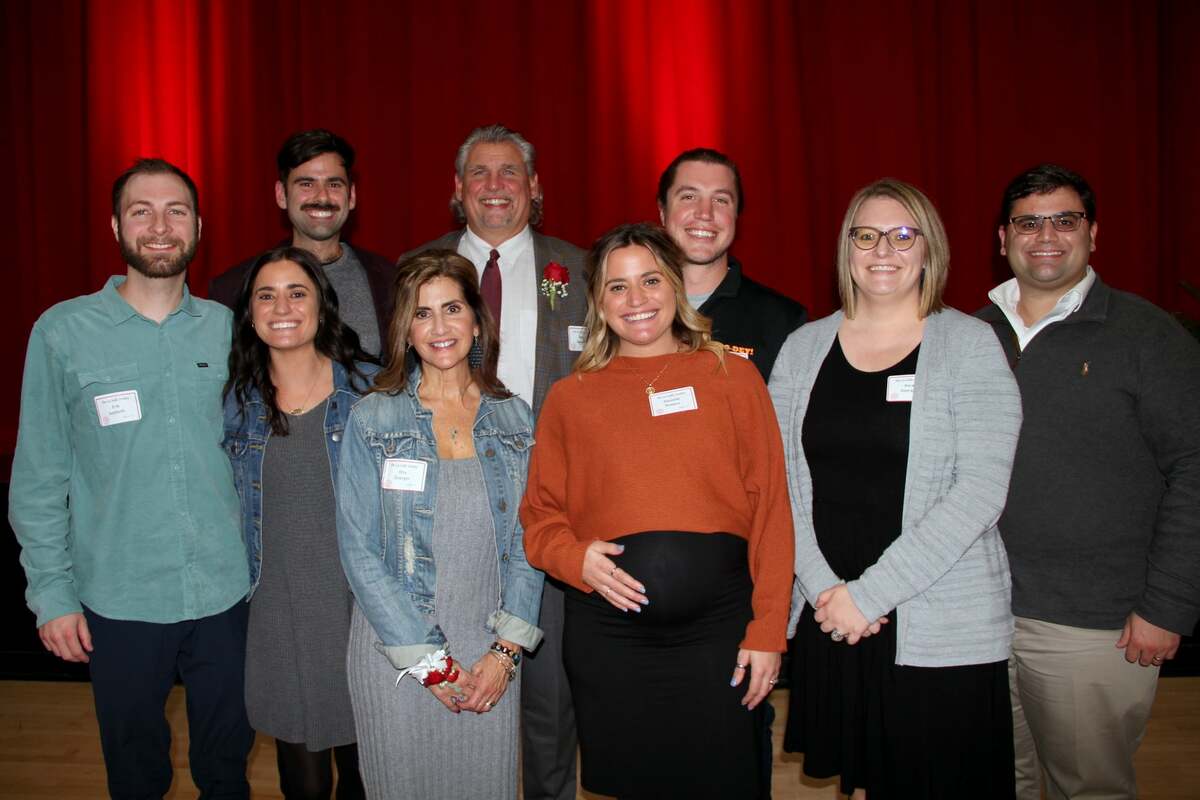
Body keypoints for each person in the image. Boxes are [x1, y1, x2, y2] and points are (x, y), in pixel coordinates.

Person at [520, 222, 794, 799]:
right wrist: (576, 560)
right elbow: (539, 519)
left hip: (720, 634)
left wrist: (769, 628)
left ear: (675, 286)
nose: (636, 299)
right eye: (617, 287)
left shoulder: (732, 377)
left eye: (649, 280)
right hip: (611, 644)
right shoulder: (571, 398)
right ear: (597, 302)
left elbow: (771, 509)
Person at [769, 179, 1022, 799]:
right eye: (867, 234)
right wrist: (825, 589)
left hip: (935, 616)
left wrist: (871, 595)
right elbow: (776, 486)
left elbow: (981, 491)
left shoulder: (969, 345)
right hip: (835, 612)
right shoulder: (803, 350)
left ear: (929, 250)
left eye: (903, 234)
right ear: (847, 250)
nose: (884, 248)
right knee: (861, 785)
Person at [9, 158, 254, 798]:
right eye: (141, 211)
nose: (159, 226)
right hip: (118, 599)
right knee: (135, 774)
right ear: (117, 225)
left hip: (227, 595)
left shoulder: (233, 331)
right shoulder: (63, 333)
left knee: (227, 770)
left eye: (175, 210)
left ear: (198, 225)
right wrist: (51, 595)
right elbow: (38, 476)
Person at [977, 163, 1200, 800]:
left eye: (1065, 220)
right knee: (997, 779)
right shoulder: (971, 334)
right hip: (982, 613)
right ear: (1003, 238)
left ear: (1092, 234)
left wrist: (1167, 606)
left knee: (1088, 788)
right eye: (1029, 222)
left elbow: (1194, 466)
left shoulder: (1148, 336)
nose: (1046, 234)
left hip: (1093, 626)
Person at [402, 123, 586, 800]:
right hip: (446, 511)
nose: (495, 186)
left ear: (534, 189)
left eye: (510, 173)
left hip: (552, 511)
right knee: (450, 681)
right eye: (479, 174)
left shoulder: (583, 271)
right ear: (458, 191)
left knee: (549, 699)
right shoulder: (415, 267)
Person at [336, 250, 545, 799]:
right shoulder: (372, 418)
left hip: (488, 657)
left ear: (477, 320)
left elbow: (531, 545)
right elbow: (359, 552)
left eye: (451, 308)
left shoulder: (516, 420)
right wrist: (429, 662)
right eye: (421, 313)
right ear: (404, 330)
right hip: (396, 655)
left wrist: (506, 653)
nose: (439, 327)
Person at [223, 246, 378, 799]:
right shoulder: (234, 401)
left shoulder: (372, 393)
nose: (282, 306)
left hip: (361, 608)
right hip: (277, 609)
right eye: (266, 294)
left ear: (322, 306)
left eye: (297, 292)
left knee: (367, 766)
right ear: (250, 313)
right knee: (302, 776)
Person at [209, 129, 396, 357]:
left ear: (352, 195)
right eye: (306, 184)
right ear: (281, 195)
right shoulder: (233, 289)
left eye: (334, 184)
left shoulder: (390, 281)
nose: (322, 197)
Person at [658, 147, 807, 380]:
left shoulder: (782, 321)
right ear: (662, 212)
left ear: (736, 216)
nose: (705, 213)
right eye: (689, 196)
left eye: (720, 200)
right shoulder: (627, 308)